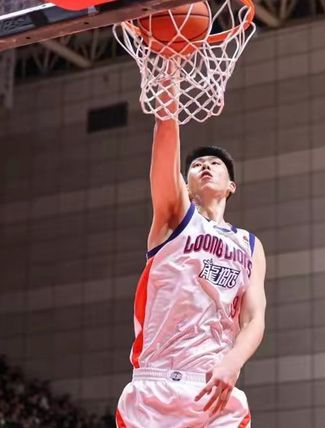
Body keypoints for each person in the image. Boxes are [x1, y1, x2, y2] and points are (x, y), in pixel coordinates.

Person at [116, 84, 267, 427]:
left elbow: (253, 319)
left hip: (215, 391)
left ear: (231, 186)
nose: (205, 166)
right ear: (185, 183)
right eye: (197, 165)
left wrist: (233, 363)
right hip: (157, 387)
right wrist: (168, 77)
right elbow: (166, 137)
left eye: (215, 164)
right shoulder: (174, 218)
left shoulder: (250, 245)